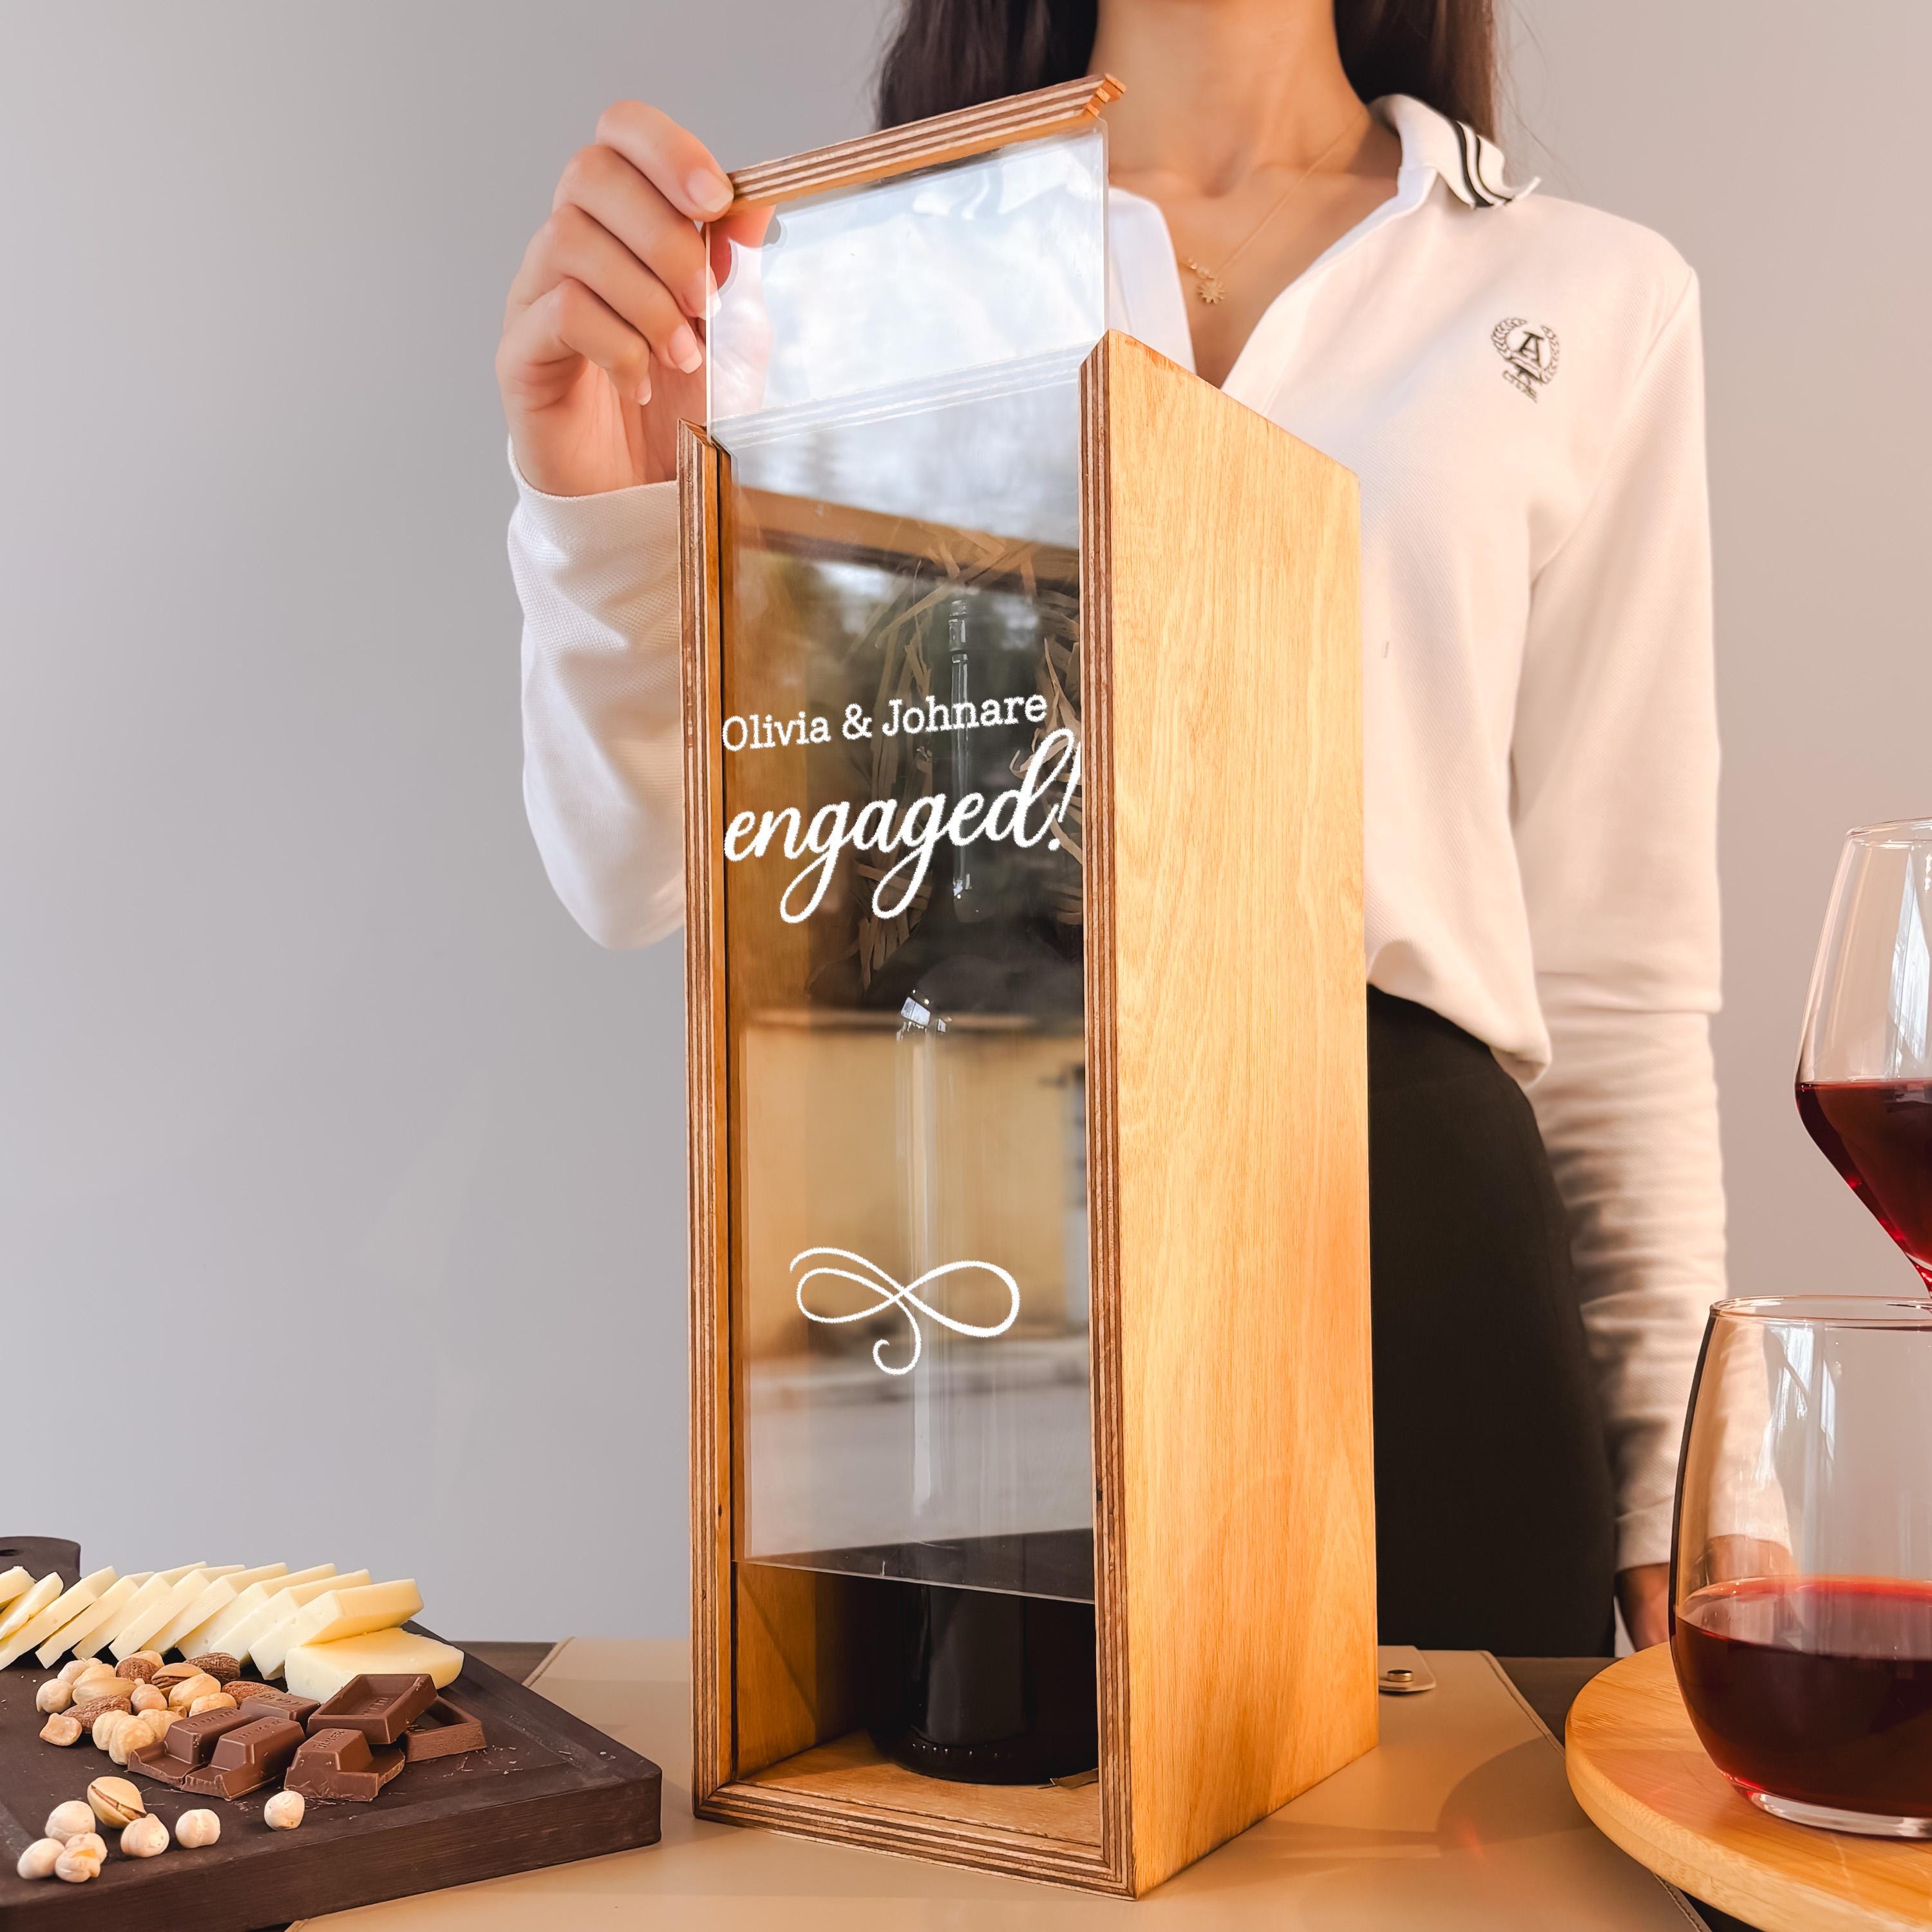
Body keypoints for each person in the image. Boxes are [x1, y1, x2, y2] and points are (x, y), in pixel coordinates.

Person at [497, 0, 1723, 1656]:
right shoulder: (842, 278)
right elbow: (639, 868)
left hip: (1417, 1261)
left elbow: (1618, 973)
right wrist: (600, 504)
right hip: (970, 1256)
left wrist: (1689, 1494)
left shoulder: (1586, 293)